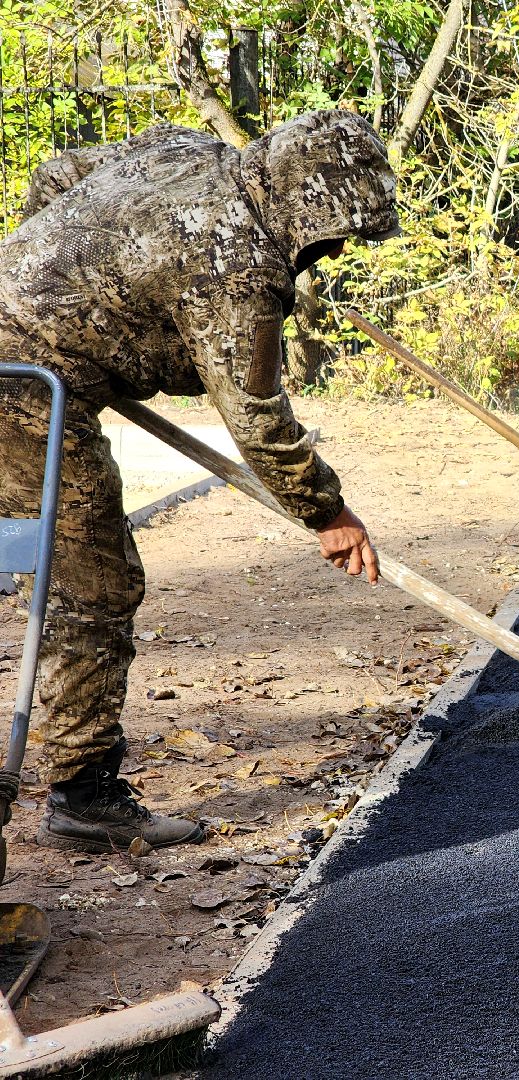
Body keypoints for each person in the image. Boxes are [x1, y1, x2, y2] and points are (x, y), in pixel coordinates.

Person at [0, 110, 398, 853]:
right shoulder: (236, 266)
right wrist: (328, 513)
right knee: (92, 586)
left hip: (22, 361)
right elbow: (258, 420)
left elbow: (58, 176)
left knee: (63, 570)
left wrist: (52, 298)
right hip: (16, 387)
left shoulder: (186, 149)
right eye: (335, 233)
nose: (338, 249)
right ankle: (83, 797)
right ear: (301, 203)